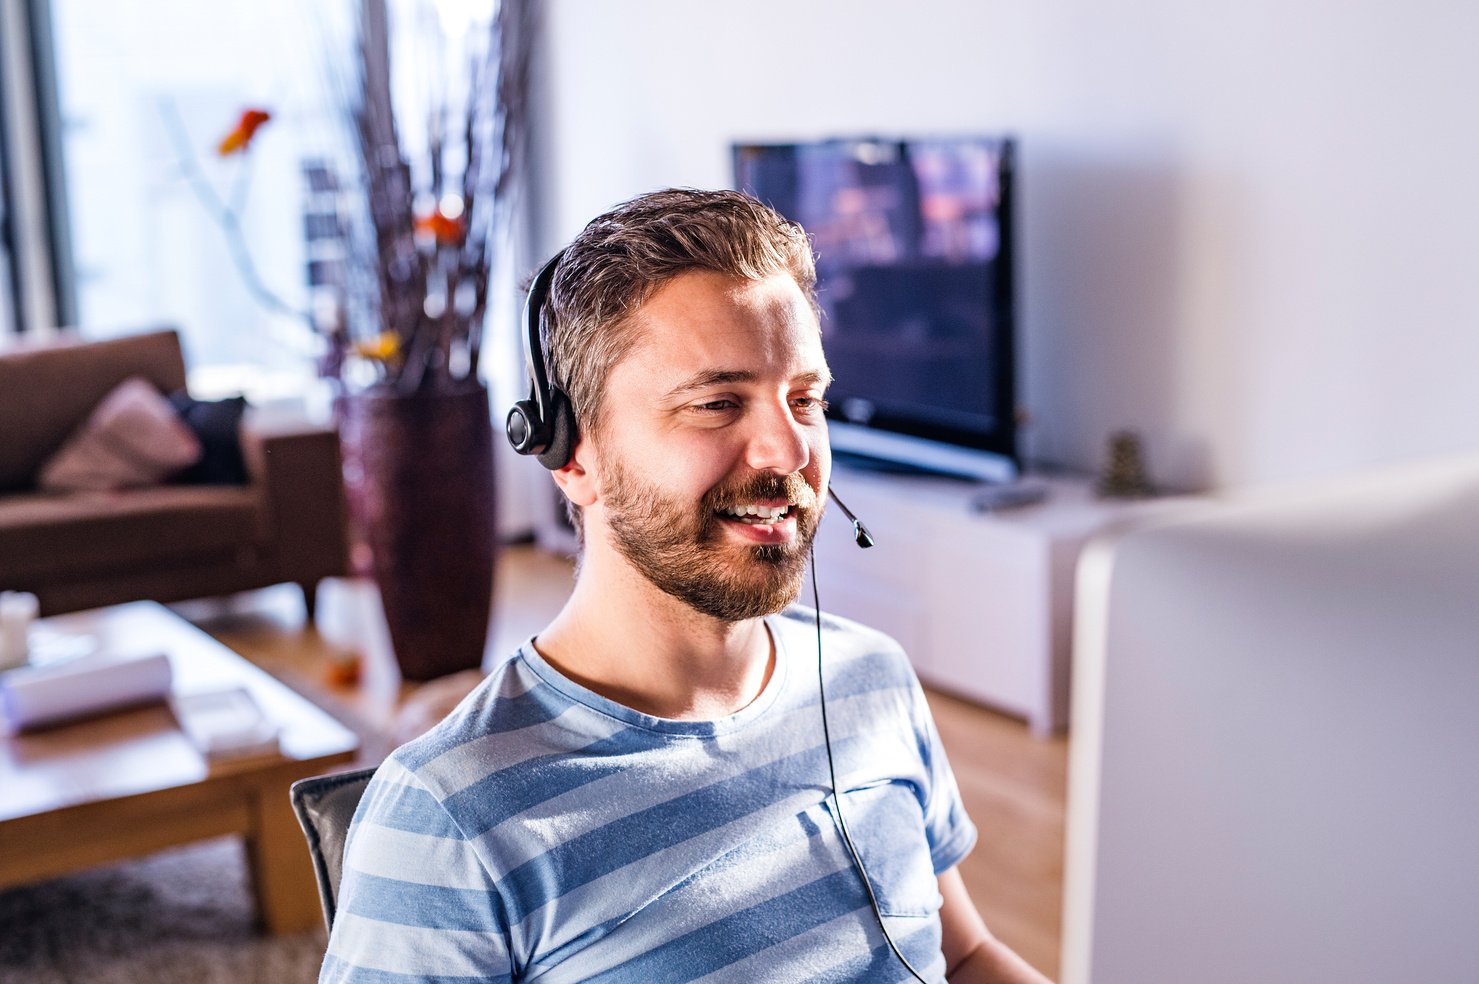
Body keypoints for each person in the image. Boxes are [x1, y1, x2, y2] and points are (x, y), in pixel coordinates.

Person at [321, 189, 1052, 983]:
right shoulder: (451, 819)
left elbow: (966, 955)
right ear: (572, 454)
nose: (787, 451)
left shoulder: (869, 679)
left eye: (804, 399)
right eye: (716, 403)